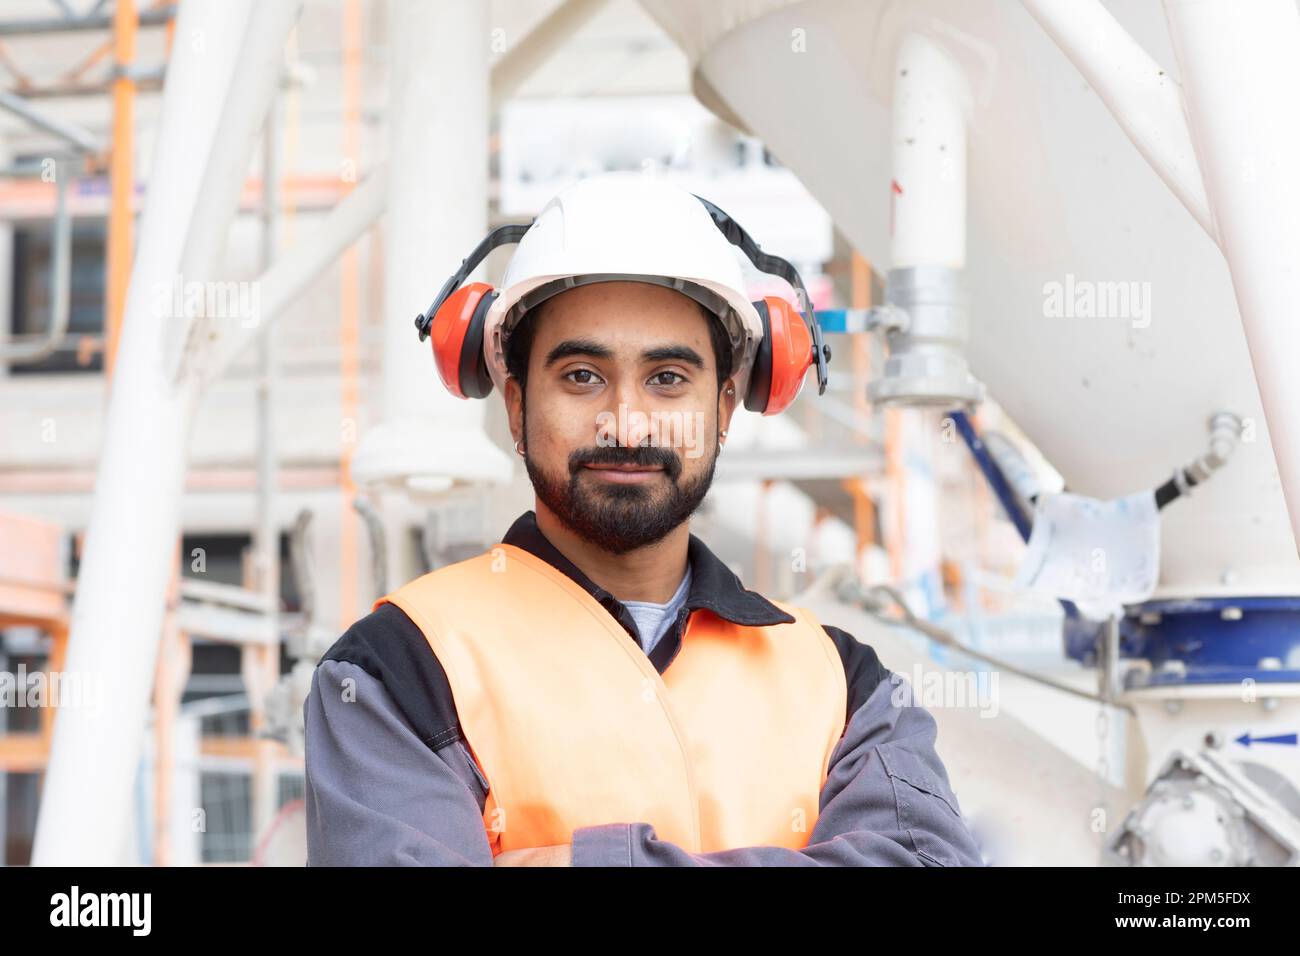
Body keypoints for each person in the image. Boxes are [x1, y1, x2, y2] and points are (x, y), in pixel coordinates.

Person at [303, 172, 984, 866]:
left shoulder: (845, 684)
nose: (625, 422)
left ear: (723, 408)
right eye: (581, 376)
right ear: (515, 404)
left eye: (667, 379)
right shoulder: (397, 669)